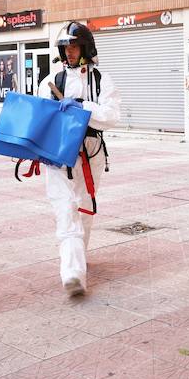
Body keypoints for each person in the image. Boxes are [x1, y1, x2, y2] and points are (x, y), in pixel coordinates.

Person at [37, 22, 120, 296]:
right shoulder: (49, 80)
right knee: (65, 208)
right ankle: (72, 272)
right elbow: (40, 118)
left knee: (84, 207)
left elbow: (111, 116)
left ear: (85, 48)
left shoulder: (101, 79)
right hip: (58, 154)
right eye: (65, 47)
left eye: (73, 46)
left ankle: (78, 257)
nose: (69, 52)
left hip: (91, 152)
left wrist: (82, 107)